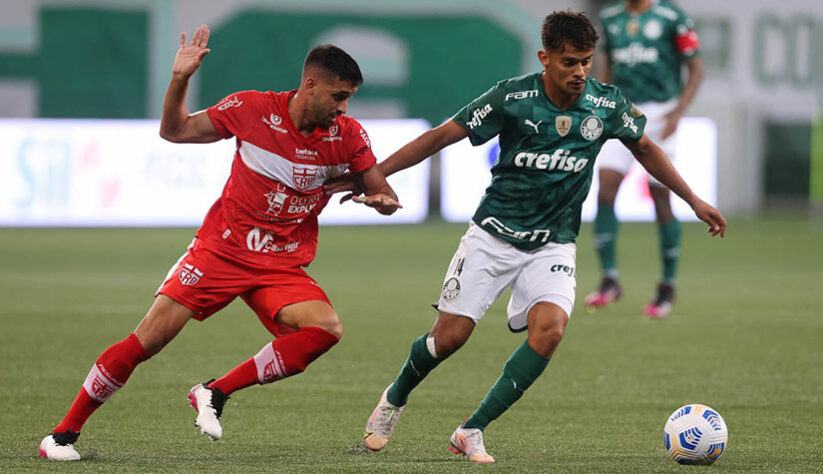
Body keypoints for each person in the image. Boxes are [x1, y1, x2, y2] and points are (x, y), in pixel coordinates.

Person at [325, 10, 724, 463]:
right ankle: (395, 397)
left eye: (586, 62)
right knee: (450, 338)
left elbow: (646, 149)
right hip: (493, 235)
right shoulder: (512, 97)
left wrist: (693, 200)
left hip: (553, 243)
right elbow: (440, 137)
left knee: (550, 331)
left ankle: (471, 430)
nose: (579, 72)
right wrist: (371, 178)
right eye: (569, 62)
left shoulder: (606, 104)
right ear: (545, 57)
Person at [38, 25, 401, 461]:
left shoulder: (348, 134)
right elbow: (174, 131)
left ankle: (215, 391)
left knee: (325, 329)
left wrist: (382, 202)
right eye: (338, 96)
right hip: (221, 251)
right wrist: (179, 79)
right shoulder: (252, 108)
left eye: (349, 99)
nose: (344, 107)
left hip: (279, 264)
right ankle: (61, 435)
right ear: (310, 85)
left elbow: (381, 188)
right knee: (146, 342)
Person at [585, 0, 704, 318]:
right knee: (605, 188)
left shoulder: (672, 17)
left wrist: (678, 110)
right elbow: (606, 67)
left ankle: (667, 285)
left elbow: (696, 69)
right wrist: (601, 101)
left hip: (659, 111)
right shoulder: (610, 18)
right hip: (621, 109)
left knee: (660, 195)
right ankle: (609, 279)